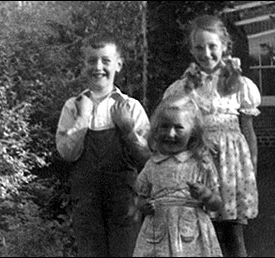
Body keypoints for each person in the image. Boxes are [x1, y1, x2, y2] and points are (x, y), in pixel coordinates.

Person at [163, 14, 261, 257]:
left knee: (233, 235)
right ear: (191, 49)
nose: (206, 53)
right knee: (202, 234)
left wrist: (252, 170)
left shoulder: (239, 84)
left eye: (212, 46)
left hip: (232, 170)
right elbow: (174, 133)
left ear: (225, 46)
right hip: (198, 167)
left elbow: (248, 130)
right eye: (199, 47)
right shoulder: (184, 87)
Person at [55, 33, 151, 257]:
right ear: (84, 65)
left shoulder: (131, 107)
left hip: (124, 205)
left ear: (118, 64)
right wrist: (82, 120)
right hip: (87, 205)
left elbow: (147, 159)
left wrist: (127, 130)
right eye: (92, 60)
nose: (98, 67)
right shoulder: (73, 106)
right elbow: (67, 153)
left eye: (105, 60)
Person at [133, 95, 223, 257]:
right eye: (164, 127)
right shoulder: (153, 164)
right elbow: (139, 197)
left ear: (193, 133)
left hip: (192, 234)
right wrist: (143, 206)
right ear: (156, 130)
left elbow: (217, 204)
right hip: (157, 235)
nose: (170, 133)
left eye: (179, 127)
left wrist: (206, 195)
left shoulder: (201, 164)